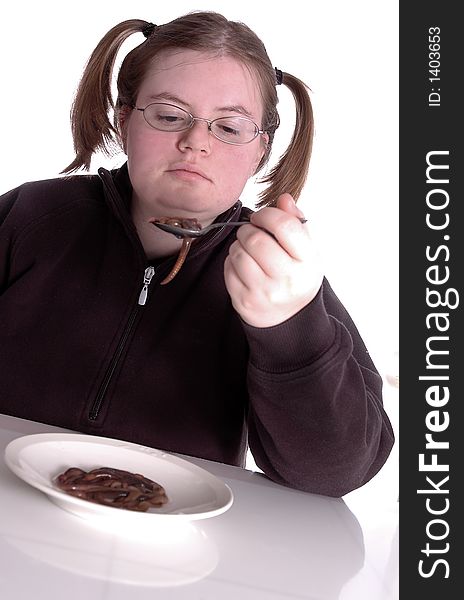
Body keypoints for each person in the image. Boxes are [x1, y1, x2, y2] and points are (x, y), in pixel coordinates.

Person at [0, 11, 394, 497]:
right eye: (169, 116)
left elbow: (337, 473)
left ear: (260, 152)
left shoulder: (275, 278)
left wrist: (290, 327)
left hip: (172, 553)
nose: (195, 143)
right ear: (124, 122)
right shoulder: (32, 217)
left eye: (228, 128)